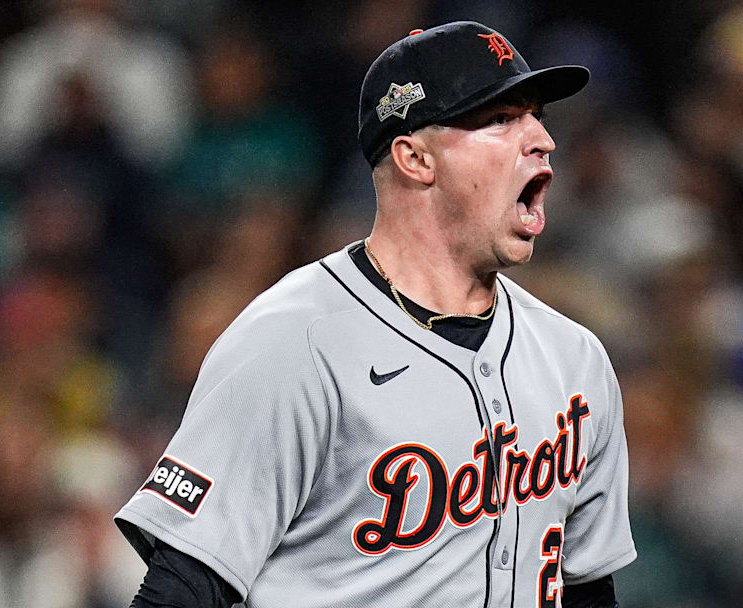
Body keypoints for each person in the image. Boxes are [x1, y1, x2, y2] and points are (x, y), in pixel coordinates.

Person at [117, 21, 636, 607]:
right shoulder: (295, 341)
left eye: (537, 116)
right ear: (414, 157)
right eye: (500, 119)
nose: (542, 139)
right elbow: (181, 590)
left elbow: (588, 589)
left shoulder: (576, 359)